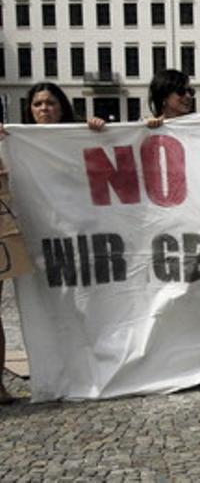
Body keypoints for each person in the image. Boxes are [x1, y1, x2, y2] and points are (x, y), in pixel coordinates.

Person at [0, 82, 104, 403]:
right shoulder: (15, 141)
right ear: (29, 110)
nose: (44, 109)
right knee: (47, 307)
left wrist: (96, 130)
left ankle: (90, 367)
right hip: (34, 238)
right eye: (37, 104)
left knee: (85, 304)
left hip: (77, 237)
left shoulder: (76, 137)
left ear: (63, 107)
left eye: (50, 104)